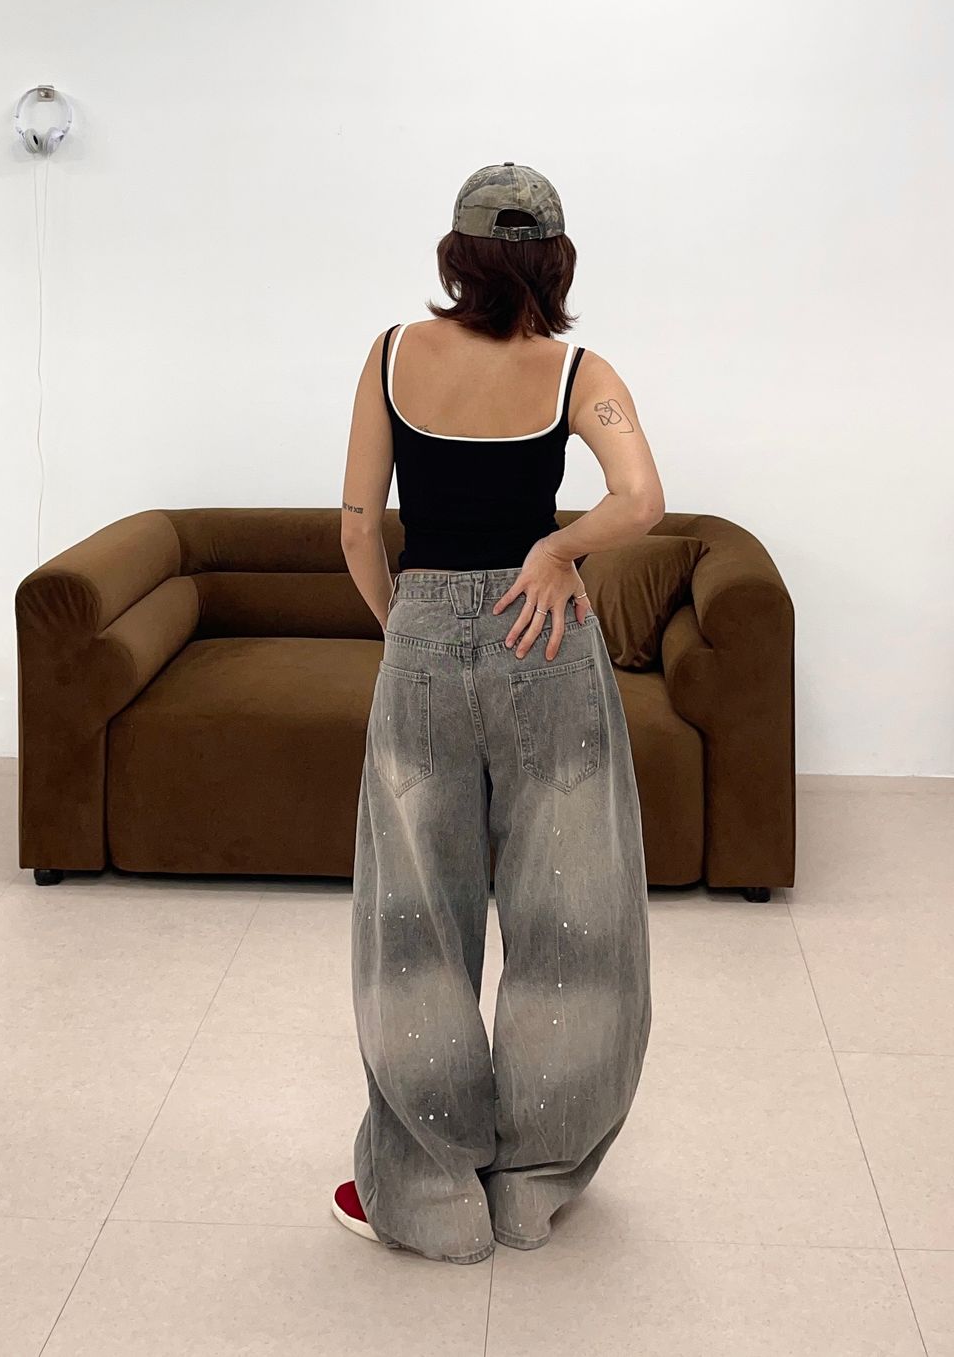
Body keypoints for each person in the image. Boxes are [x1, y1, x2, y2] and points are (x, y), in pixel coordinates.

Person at [334, 162, 664, 1264]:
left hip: (423, 629)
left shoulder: (391, 355)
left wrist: (406, 625)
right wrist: (558, 551)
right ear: (555, 259)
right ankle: (532, 1186)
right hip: (545, 636)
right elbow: (640, 500)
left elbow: (355, 530)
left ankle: (433, 1196)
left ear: (456, 254)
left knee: (414, 923)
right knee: (573, 914)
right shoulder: (578, 370)